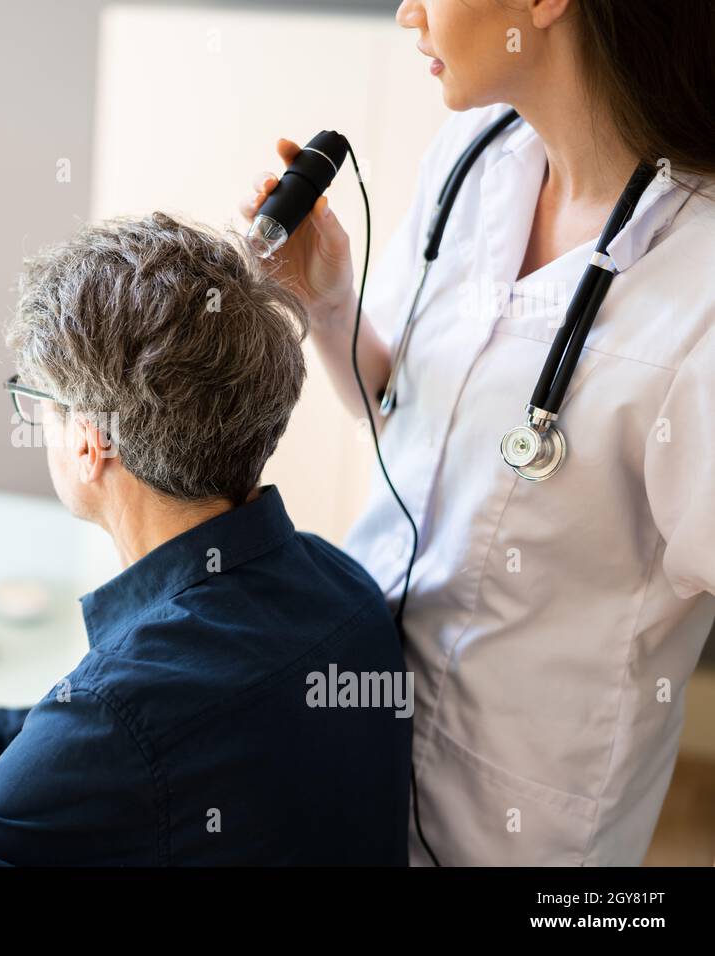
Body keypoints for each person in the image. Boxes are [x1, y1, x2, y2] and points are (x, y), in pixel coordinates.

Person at [0, 213, 412, 866]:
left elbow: (113, 739)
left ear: (91, 442)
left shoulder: (118, 722)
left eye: (38, 401)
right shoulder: (341, 587)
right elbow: (139, 740)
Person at [240, 0, 715, 865]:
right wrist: (328, 299)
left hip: (525, 821)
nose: (404, 12)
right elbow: (399, 414)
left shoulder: (701, 288)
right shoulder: (474, 156)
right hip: (357, 737)